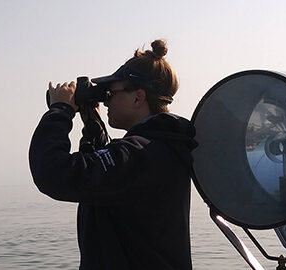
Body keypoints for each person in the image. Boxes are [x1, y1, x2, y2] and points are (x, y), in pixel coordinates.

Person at [29, 39, 197, 269]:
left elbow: (52, 173)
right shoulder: (161, 148)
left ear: (138, 97)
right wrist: (94, 131)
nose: (106, 101)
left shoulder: (140, 154)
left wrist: (60, 110)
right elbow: (105, 187)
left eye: (110, 93)